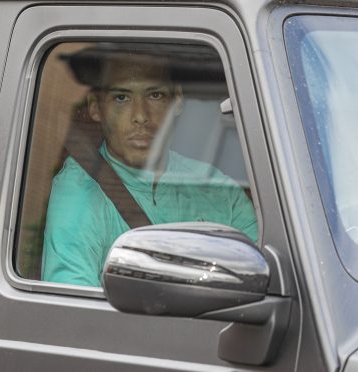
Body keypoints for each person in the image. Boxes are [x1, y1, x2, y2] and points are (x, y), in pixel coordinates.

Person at [42, 46, 257, 287]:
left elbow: (265, 275)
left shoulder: (216, 188)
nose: (141, 116)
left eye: (155, 95)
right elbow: (73, 310)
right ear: (96, 107)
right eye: (121, 97)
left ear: (177, 100)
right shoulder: (79, 192)